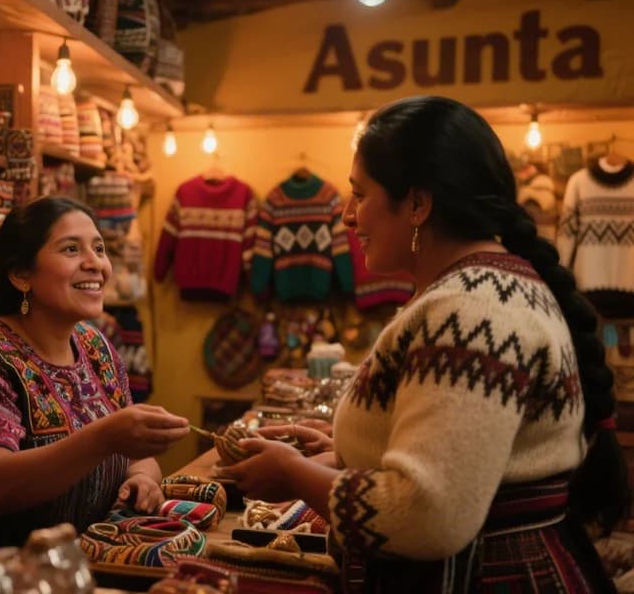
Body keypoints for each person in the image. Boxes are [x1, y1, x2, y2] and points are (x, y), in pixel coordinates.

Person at [219, 96, 628, 592]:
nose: (348, 217)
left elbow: (429, 512)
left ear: (417, 203)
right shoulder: (474, 293)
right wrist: (347, 454)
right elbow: (468, 459)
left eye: (360, 195)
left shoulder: (470, 311)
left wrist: (295, 477)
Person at [0, 195, 190, 593]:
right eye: (71, 249)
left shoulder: (94, 347)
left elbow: (136, 453)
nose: (95, 263)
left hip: (64, 574)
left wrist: (141, 477)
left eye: (98, 249)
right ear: (20, 275)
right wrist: (104, 438)